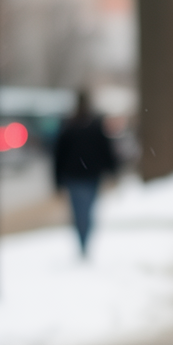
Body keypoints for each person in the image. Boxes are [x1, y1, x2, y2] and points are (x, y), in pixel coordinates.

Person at [53, 91, 118, 256]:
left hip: (75, 176)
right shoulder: (93, 125)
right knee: (87, 211)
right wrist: (112, 170)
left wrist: (57, 180)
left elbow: (58, 155)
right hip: (90, 176)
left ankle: (83, 242)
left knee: (79, 212)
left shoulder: (69, 125)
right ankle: (84, 242)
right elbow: (106, 151)